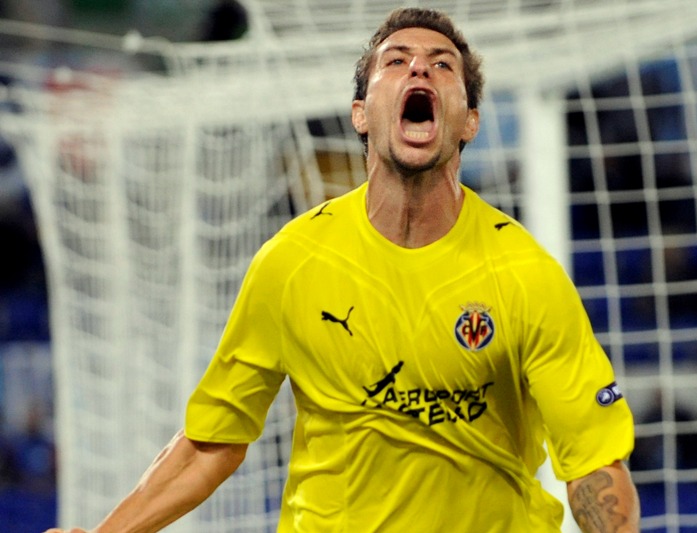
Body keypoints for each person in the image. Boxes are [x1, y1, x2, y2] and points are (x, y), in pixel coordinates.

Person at [46, 7, 640, 533]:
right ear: (361, 113)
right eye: (396, 61)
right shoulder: (292, 263)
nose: (419, 71)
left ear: (469, 122)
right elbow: (212, 441)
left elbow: (592, 465)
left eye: (442, 65)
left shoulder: (525, 275)